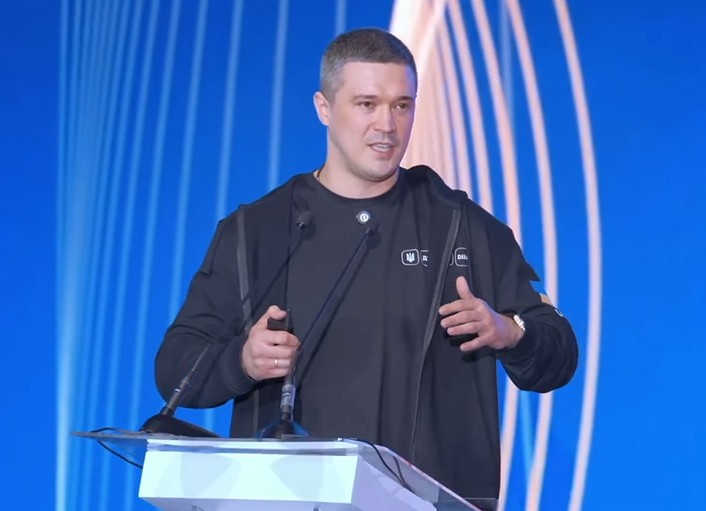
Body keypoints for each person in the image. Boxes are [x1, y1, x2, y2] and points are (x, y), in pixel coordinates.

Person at [154, 27, 578, 504]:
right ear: (323, 108)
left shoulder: (461, 226)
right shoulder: (256, 230)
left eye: (402, 105)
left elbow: (559, 352)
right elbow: (174, 367)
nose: (387, 126)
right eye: (366, 104)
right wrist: (242, 361)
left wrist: (510, 332)